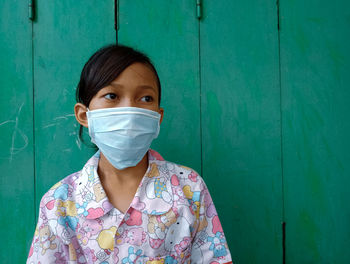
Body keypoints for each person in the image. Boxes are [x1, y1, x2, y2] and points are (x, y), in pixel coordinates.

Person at [27, 44, 233, 264]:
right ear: (84, 115)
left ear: (158, 117)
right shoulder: (59, 203)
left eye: (145, 99)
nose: (130, 112)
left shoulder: (189, 189)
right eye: (112, 95)